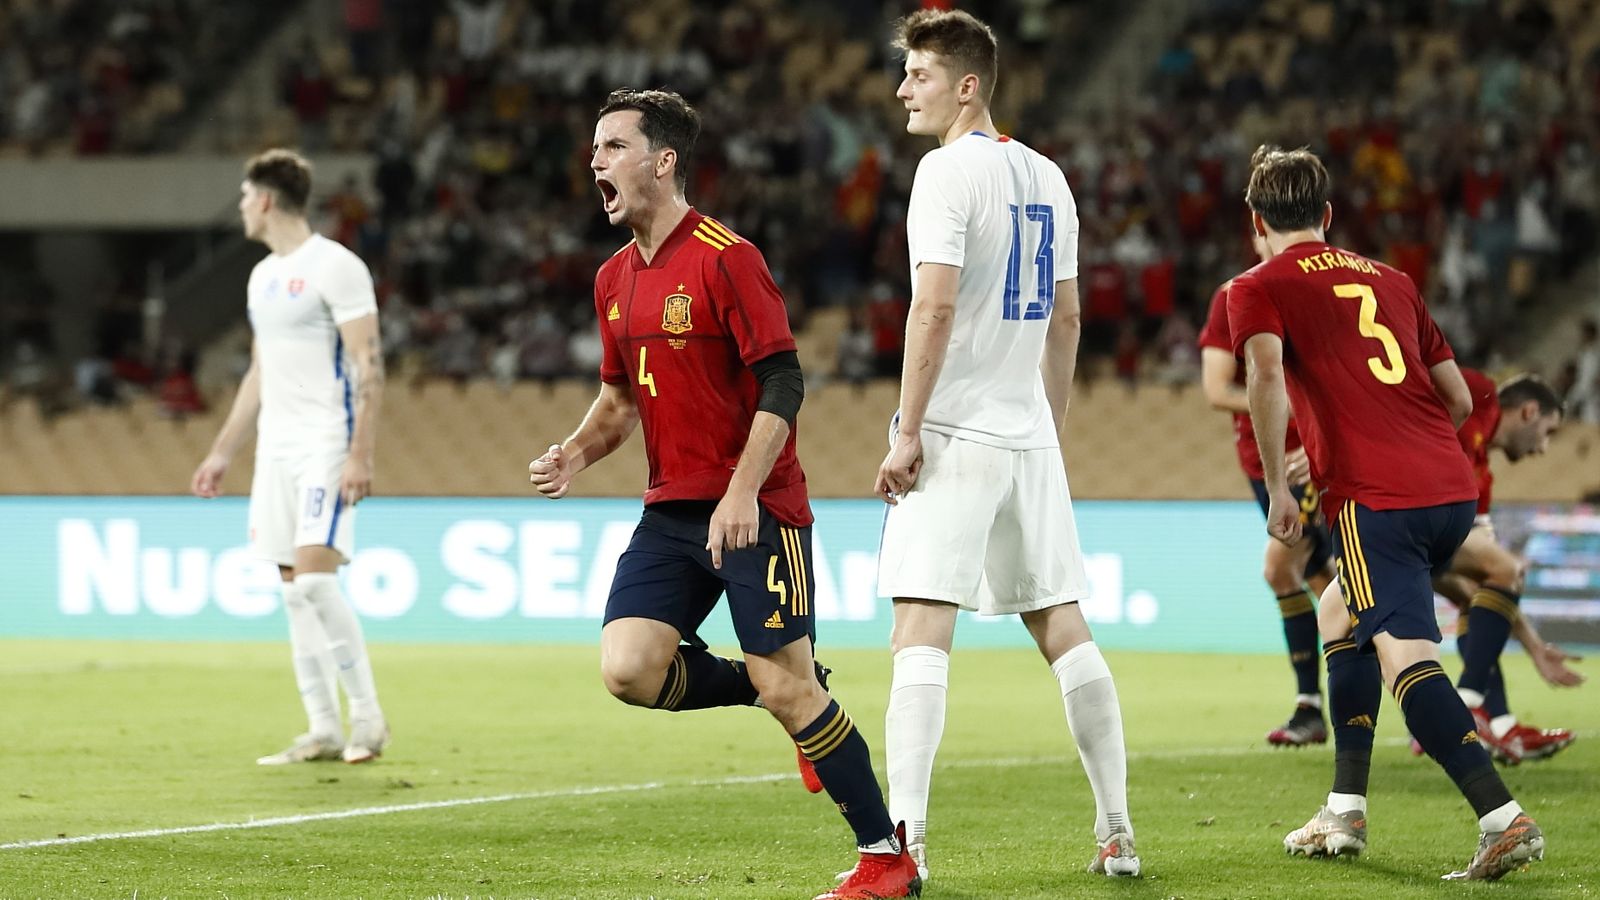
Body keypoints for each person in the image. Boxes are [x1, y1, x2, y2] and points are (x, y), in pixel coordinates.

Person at [527, 89, 920, 900]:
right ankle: (776, 690)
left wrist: (742, 492)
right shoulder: (611, 280)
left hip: (757, 508)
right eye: (594, 148)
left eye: (612, 147)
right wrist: (574, 452)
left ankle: (887, 857)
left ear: (662, 161)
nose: (594, 162)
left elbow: (784, 378)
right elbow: (620, 403)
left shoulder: (724, 256)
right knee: (630, 670)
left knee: (791, 684)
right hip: (670, 509)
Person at [874, 9, 1138, 883]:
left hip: (953, 428)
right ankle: (1117, 830)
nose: (903, 89)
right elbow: (1066, 316)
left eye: (918, 73)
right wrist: (1047, 427)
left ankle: (903, 844)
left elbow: (935, 307)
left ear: (967, 84)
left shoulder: (945, 174)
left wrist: (907, 431)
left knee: (919, 626)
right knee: (1062, 622)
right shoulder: (1050, 176)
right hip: (1026, 430)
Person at [1229, 145, 1542, 881]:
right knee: (1339, 615)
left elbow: (1266, 376)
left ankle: (1503, 820)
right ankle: (1343, 808)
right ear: (1328, 216)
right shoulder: (1393, 280)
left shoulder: (1257, 285)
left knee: (1406, 657)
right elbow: (1462, 400)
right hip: (1450, 488)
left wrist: (1279, 486)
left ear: (1256, 221)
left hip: (1378, 500)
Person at [192, 149, 389, 765]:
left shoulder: (337, 266)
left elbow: (370, 362)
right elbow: (259, 370)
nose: (243, 207)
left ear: (268, 199)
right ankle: (323, 729)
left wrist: (360, 453)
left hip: (326, 442)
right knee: (291, 590)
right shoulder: (262, 277)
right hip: (275, 449)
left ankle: (369, 721)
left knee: (314, 583)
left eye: (247, 196)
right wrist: (223, 451)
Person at [1199, 234, 1337, 746]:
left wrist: (1315, 426)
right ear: (1256, 231)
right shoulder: (1232, 297)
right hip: (1264, 466)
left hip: (1310, 466)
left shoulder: (1324, 292)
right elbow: (1218, 390)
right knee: (1329, 586)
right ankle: (1396, 692)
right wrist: (1283, 404)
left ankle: (1312, 705)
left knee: (1280, 568)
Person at [1434, 370, 1581, 762]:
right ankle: (1467, 707)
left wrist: (1534, 646)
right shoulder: (1479, 393)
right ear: (1529, 411)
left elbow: (1494, 581)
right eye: (1548, 432)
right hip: (1383, 513)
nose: (1544, 449)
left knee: (1479, 594)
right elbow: (1401, 378)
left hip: (1417, 532)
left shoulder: (1481, 478)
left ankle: (1498, 726)